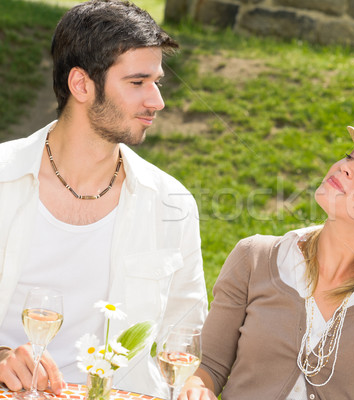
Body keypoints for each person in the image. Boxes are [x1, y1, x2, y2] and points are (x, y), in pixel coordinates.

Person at [0, 0, 208, 397]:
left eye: (157, 81)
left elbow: (187, 333)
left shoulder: (172, 204)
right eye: (137, 82)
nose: (156, 101)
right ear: (81, 85)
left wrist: (195, 384)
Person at [180, 124, 354, 399]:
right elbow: (210, 365)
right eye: (350, 156)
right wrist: (196, 388)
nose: (345, 167)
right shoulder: (255, 256)